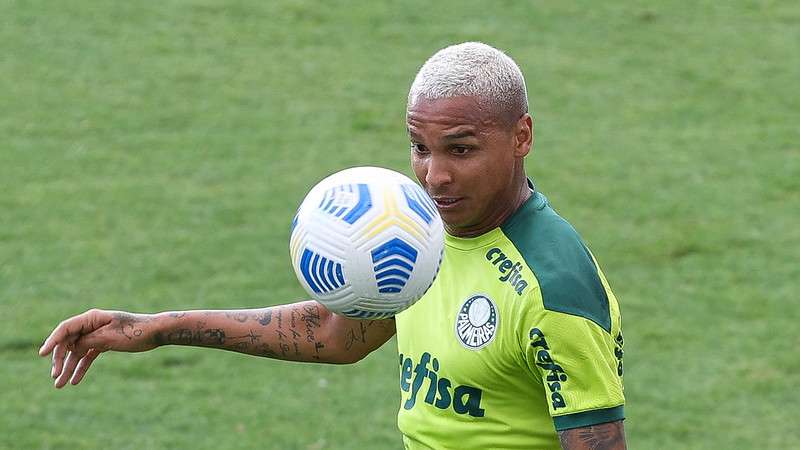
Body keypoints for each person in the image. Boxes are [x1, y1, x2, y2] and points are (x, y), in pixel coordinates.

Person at [39, 42, 626, 450]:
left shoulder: (555, 290)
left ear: (522, 136)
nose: (434, 176)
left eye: (461, 149)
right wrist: (159, 327)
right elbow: (336, 334)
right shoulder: (419, 235)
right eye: (420, 147)